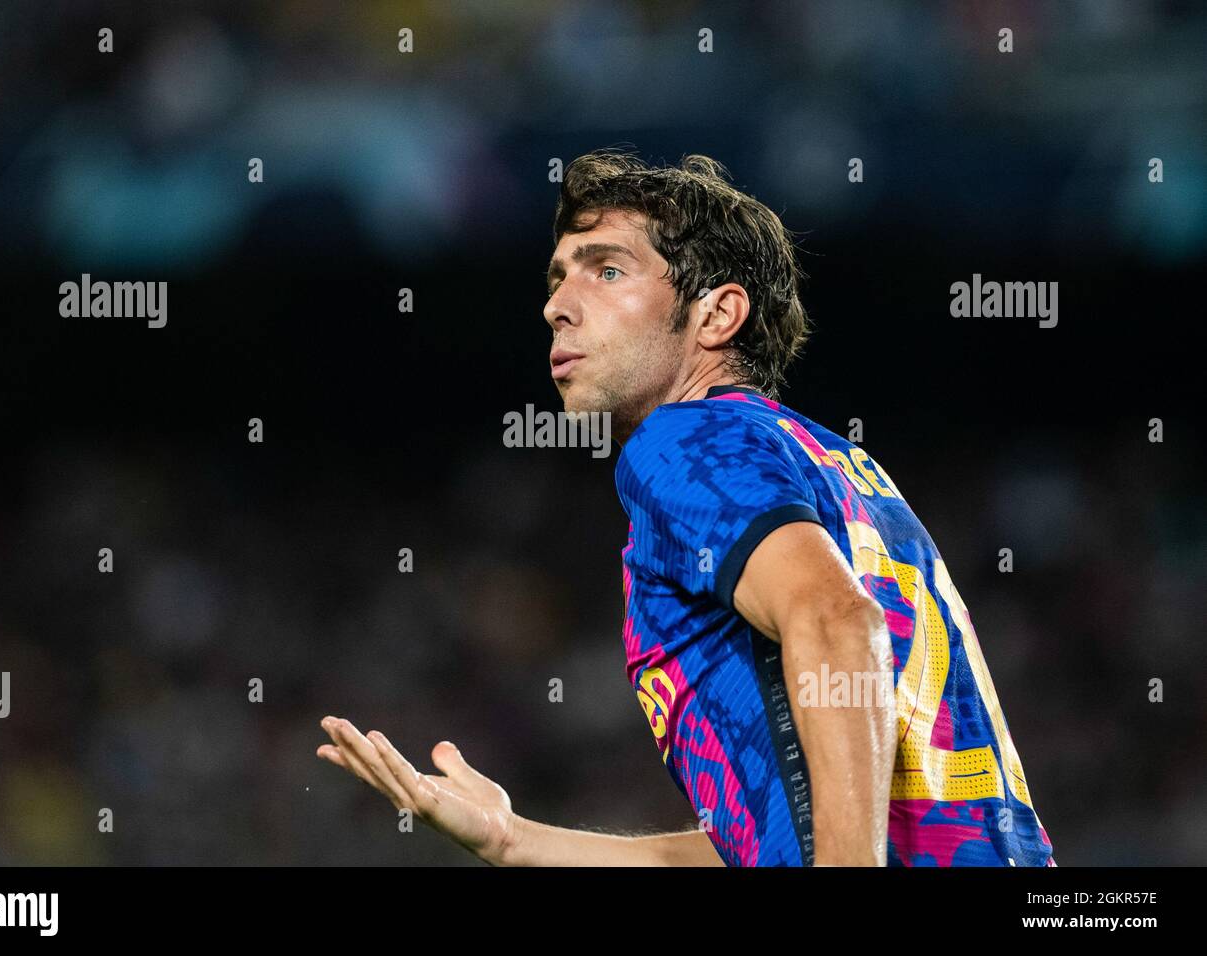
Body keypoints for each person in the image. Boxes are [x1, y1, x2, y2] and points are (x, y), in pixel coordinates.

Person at [317, 149, 1056, 867]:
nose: (556, 306)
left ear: (716, 314)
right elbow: (770, 834)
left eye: (607, 270)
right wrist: (514, 840)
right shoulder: (837, 469)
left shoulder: (682, 443)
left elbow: (839, 621)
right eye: (557, 277)